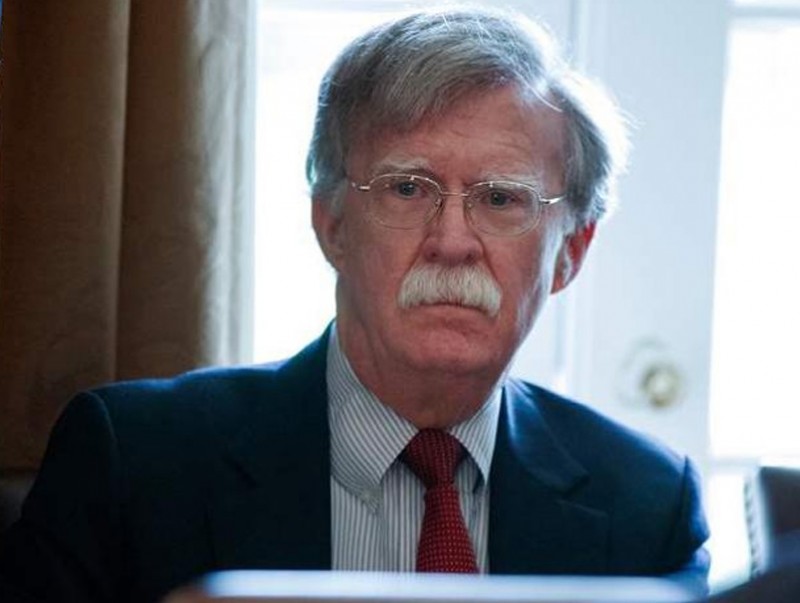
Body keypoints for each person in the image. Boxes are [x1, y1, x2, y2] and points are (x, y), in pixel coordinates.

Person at [0, 7, 710, 603]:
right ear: (331, 221)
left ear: (570, 253)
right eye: (407, 189)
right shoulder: (132, 462)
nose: (452, 242)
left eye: (501, 199)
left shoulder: (648, 506)